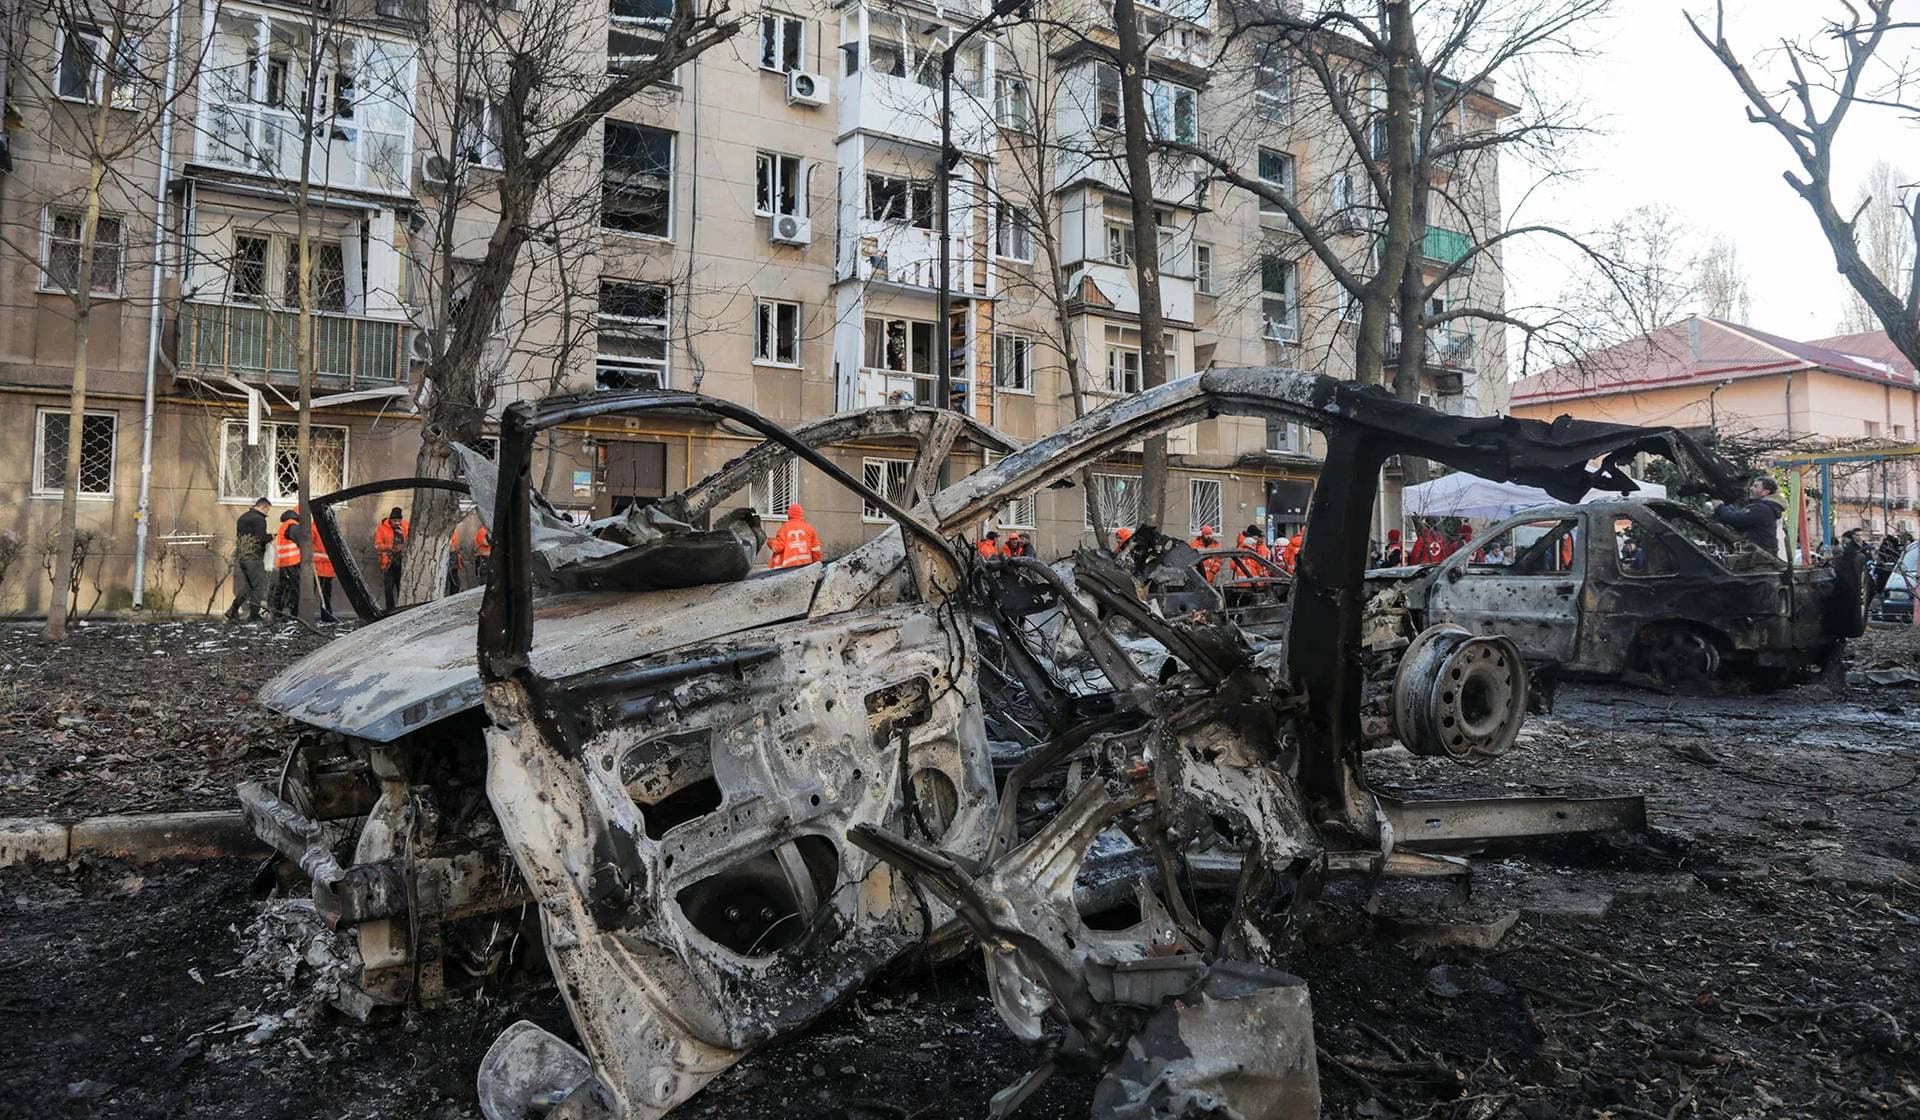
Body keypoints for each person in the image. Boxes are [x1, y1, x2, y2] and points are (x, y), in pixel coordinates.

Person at [225, 497, 273, 622]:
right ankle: (254, 615)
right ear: (264, 507)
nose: (267, 513)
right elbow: (261, 539)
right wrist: (271, 536)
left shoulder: (243, 517)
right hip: (254, 557)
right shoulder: (259, 519)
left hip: (242, 557)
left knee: (247, 587)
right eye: (267, 511)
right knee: (259, 586)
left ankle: (232, 611)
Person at [1711, 476, 1785, 556]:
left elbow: (1735, 519)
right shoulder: (1765, 507)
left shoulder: (1762, 509)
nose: (1751, 488)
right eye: (1752, 485)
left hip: (1758, 555)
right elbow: (1739, 519)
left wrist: (1720, 507)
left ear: (1765, 492)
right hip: (1762, 552)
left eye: (1755, 486)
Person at [270, 510, 304, 619]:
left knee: (283, 587)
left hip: (285, 563)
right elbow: (302, 541)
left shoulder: (285, 526)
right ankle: (294, 613)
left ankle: (277, 612)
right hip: (291, 562)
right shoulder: (293, 526)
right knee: (294, 588)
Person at [769, 503, 823, 568]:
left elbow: (778, 547)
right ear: (801, 514)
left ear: (789, 514)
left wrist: (769, 542)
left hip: (789, 568)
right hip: (806, 567)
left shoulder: (784, 528)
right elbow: (816, 550)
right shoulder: (809, 528)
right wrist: (816, 566)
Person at [375, 507, 409, 611]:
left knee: (402, 586)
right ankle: (390, 609)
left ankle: (402, 608)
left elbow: (410, 538)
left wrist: (404, 547)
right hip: (388, 562)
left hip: (402, 561)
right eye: (395, 521)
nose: (397, 523)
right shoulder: (381, 528)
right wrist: (390, 548)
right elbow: (377, 545)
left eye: (399, 520)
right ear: (390, 519)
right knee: (388, 587)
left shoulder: (405, 526)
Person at [311, 517, 338, 623]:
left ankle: (327, 614)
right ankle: (326, 614)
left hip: (325, 567)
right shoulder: (316, 528)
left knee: (325, 594)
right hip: (319, 566)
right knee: (324, 594)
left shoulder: (324, 528)